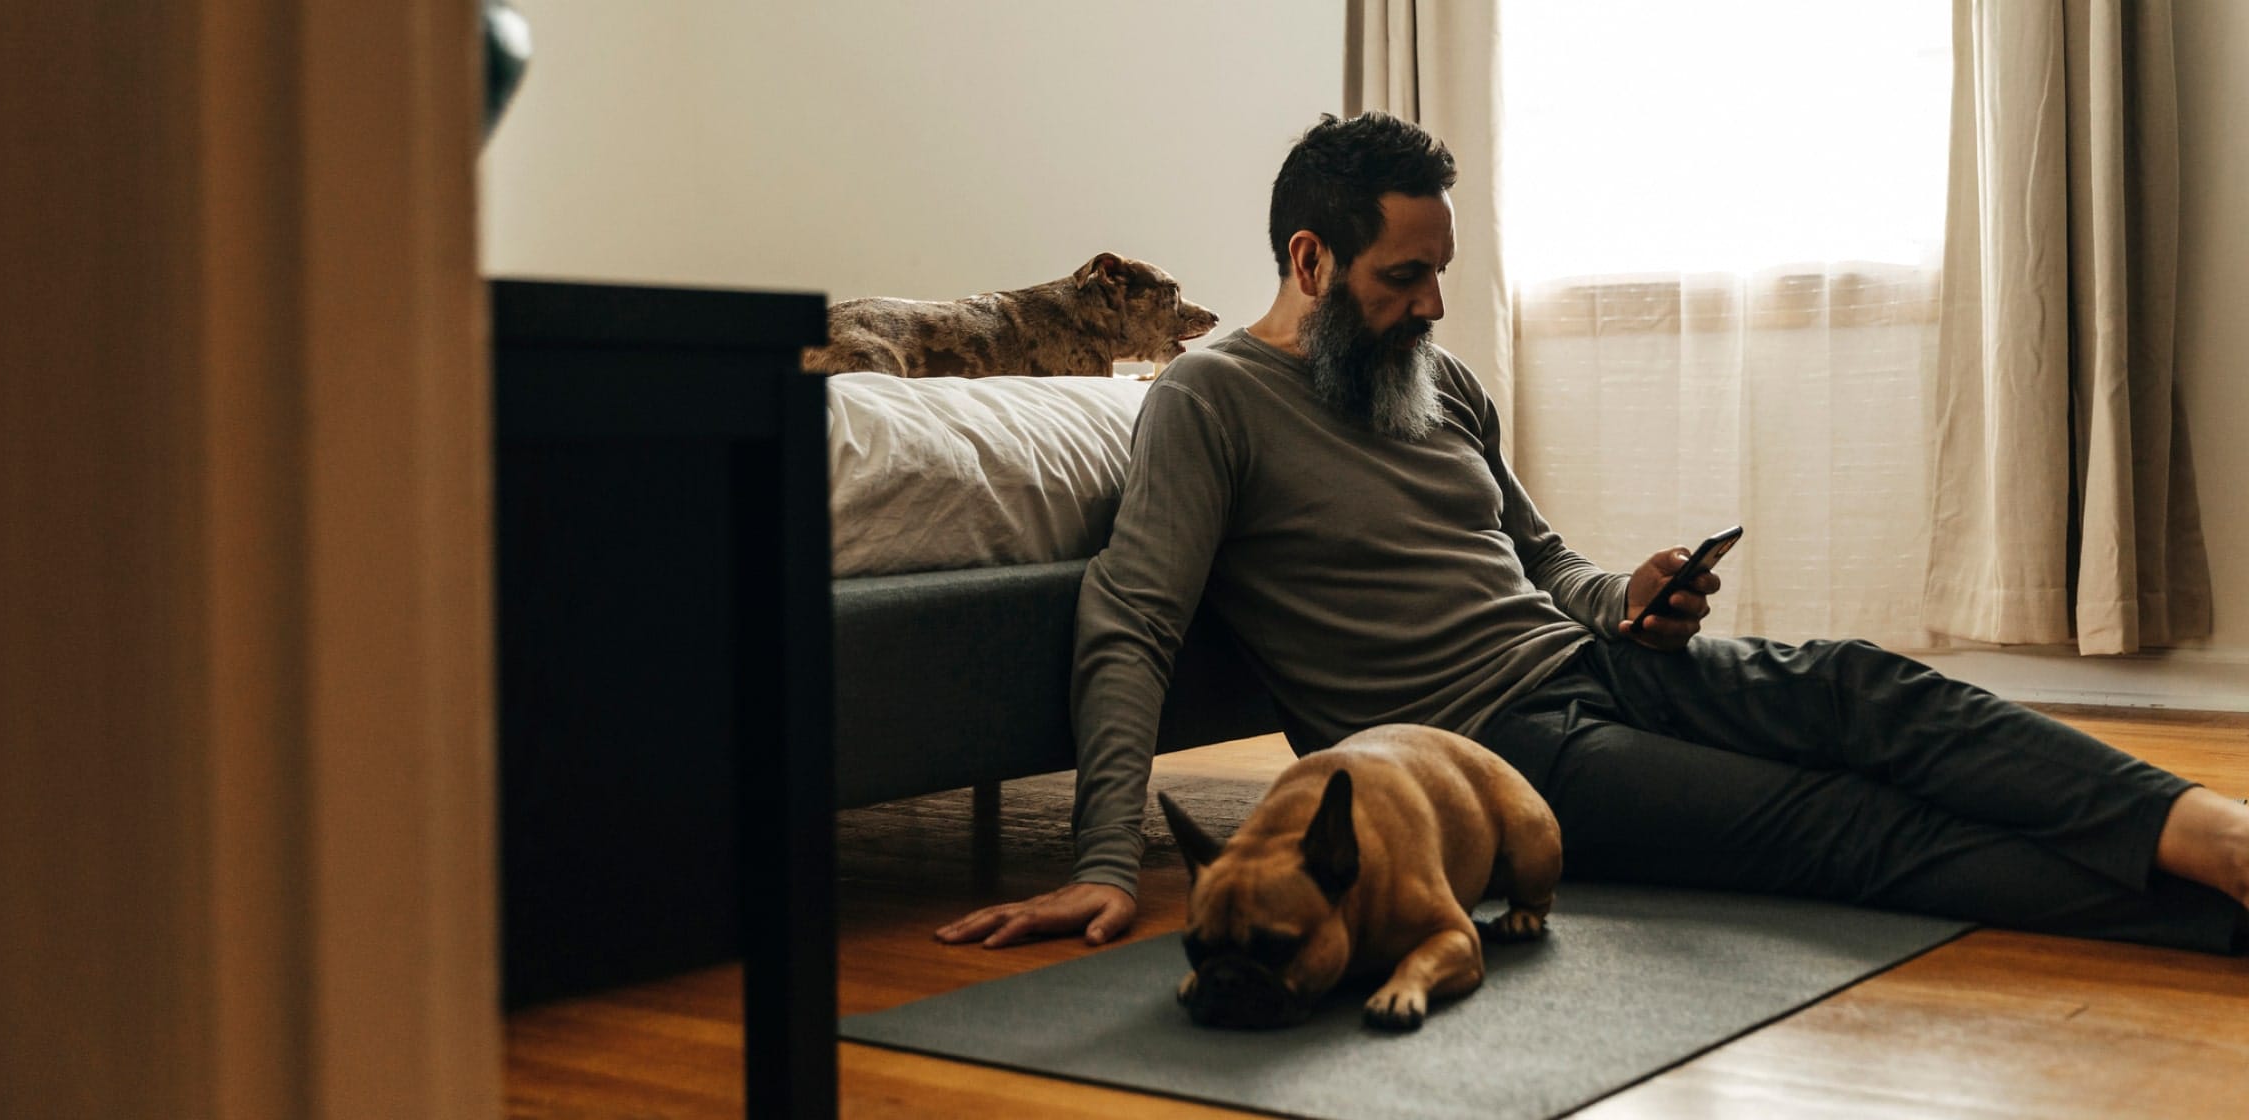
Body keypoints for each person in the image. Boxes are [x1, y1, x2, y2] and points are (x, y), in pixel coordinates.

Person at [935, 112, 2249, 955]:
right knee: (1842, 827)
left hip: (1599, 666)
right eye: (1406, 276)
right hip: (1483, 750)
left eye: (1443, 269)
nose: (1435, 302)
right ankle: (2217, 918)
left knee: (1868, 686)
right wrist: (1106, 860)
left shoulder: (1435, 382)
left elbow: (1542, 563)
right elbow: (1131, 623)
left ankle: (2220, 838)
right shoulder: (1210, 400)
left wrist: (1635, 590)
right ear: (1310, 261)